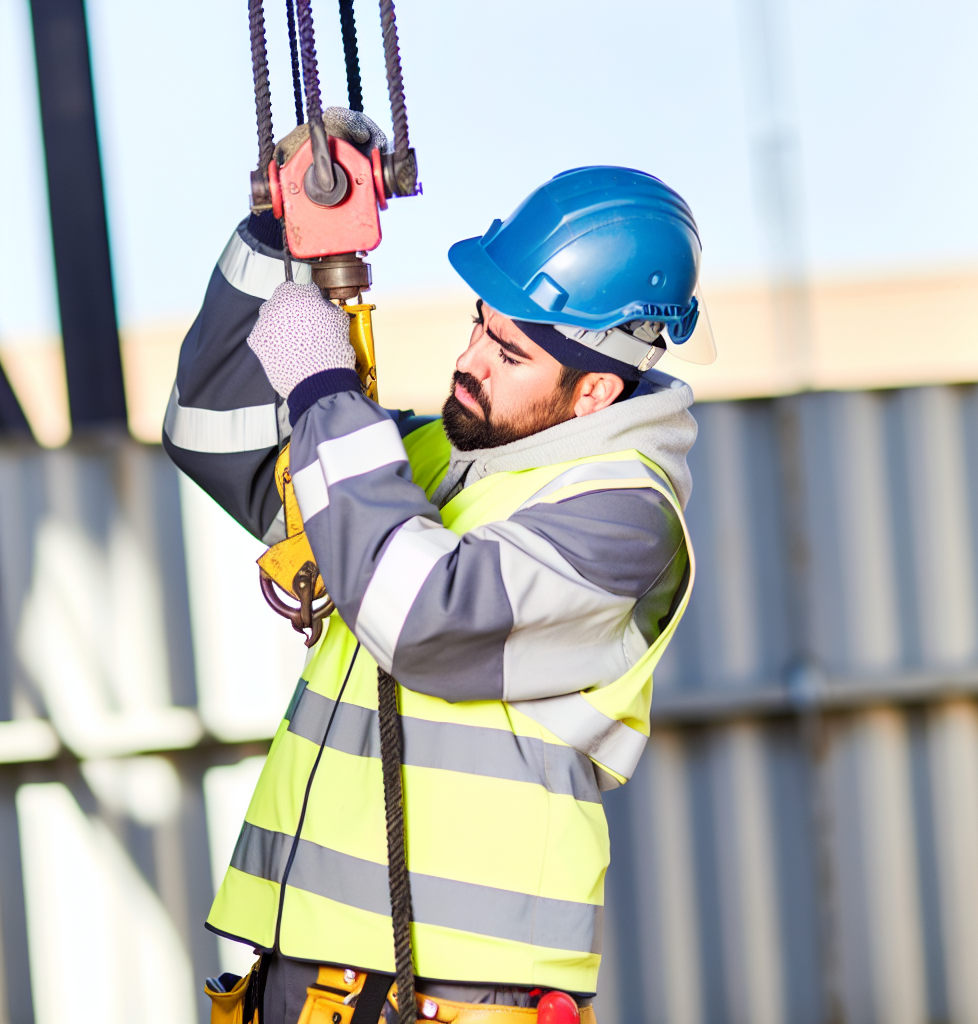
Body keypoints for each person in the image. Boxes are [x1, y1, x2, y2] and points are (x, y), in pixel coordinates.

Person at [164, 108, 706, 1024]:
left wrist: (327, 391)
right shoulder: (431, 461)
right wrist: (276, 233)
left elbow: (424, 616)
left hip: (455, 985)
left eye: (509, 350)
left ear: (596, 391)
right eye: (477, 326)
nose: (468, 361)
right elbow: (214, 439)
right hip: (309, 962)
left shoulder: (623, 513)